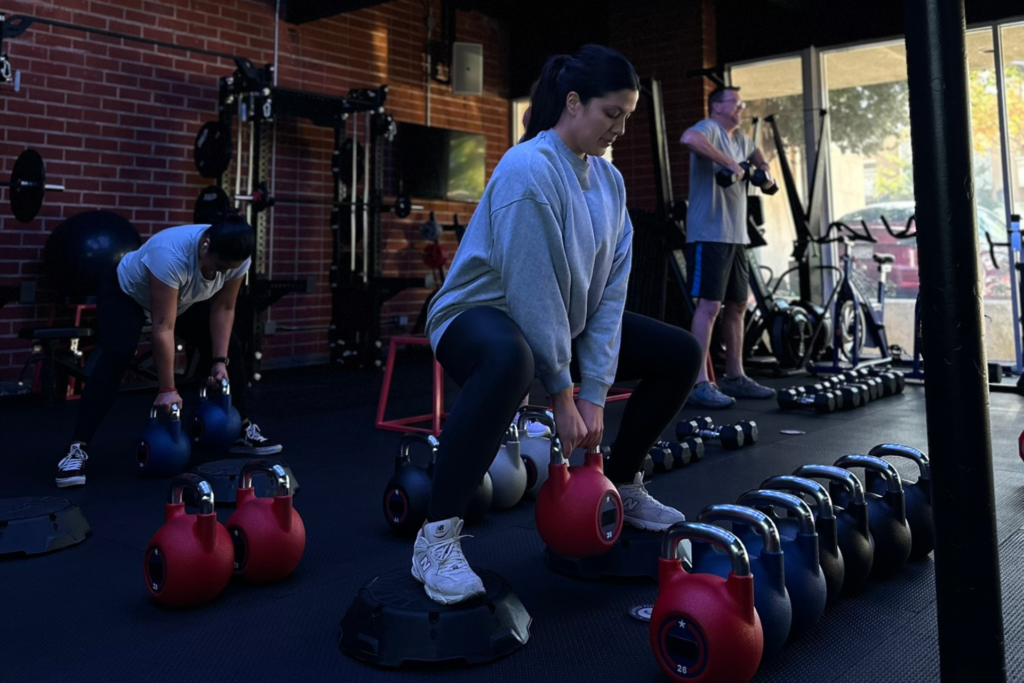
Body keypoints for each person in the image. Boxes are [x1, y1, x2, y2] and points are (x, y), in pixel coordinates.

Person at [416, 45, 703, 605]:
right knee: (512, 358)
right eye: (610, 114)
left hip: (553, 324)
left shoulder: (610, 184)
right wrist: (564, 396)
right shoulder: (529, 169)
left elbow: (609, 298)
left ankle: (622, 481)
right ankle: (436, 538)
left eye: (627, 117)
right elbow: (531, 292)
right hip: (476, 317)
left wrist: (594, 393)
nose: (619, 128)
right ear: (573, 103)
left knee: (680, 354)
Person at [55, 214, 283, 488]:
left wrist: (219, 361)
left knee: (229, 344)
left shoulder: (236, 258)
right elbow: (163, 327)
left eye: (228, 270)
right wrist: (167, 390)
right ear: (205, 245)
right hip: (127, 294)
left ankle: (242, 428)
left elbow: (224, 308)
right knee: (117, 353)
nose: (221, 274)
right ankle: (76, 450)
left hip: (183, 298)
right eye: (219, 266)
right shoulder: (170, 253)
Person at [679, 85, 777, 409]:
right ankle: (698, 382)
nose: (740, 108)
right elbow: (688, 140)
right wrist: (730, 164)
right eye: (735, 103)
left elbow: (755, 154)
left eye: (741, 103)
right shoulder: (708, 129)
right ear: (717, 107)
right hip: (709, 233)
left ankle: (735, 376)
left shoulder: (740, 139)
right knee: (709, 307)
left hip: (736, 236)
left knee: (737, 306)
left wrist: (763, 169)